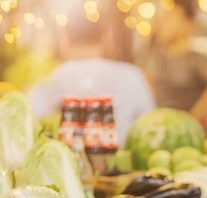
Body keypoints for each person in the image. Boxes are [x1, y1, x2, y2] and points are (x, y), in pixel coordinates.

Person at [27, 16, 155, 146]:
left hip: (67, 164)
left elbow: (31, 129)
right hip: (122, 164)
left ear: (65, 40)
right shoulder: (132, 76)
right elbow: (152, 127)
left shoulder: (50, 79)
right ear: (105, 39)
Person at [141, 0, 207, 132]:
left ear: (188, 24)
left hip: (186, 134)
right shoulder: (153, 57)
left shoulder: (195, 60)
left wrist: (195, 115)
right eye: (162, 19)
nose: (162, 23)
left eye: (169, 18)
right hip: (159, 129)